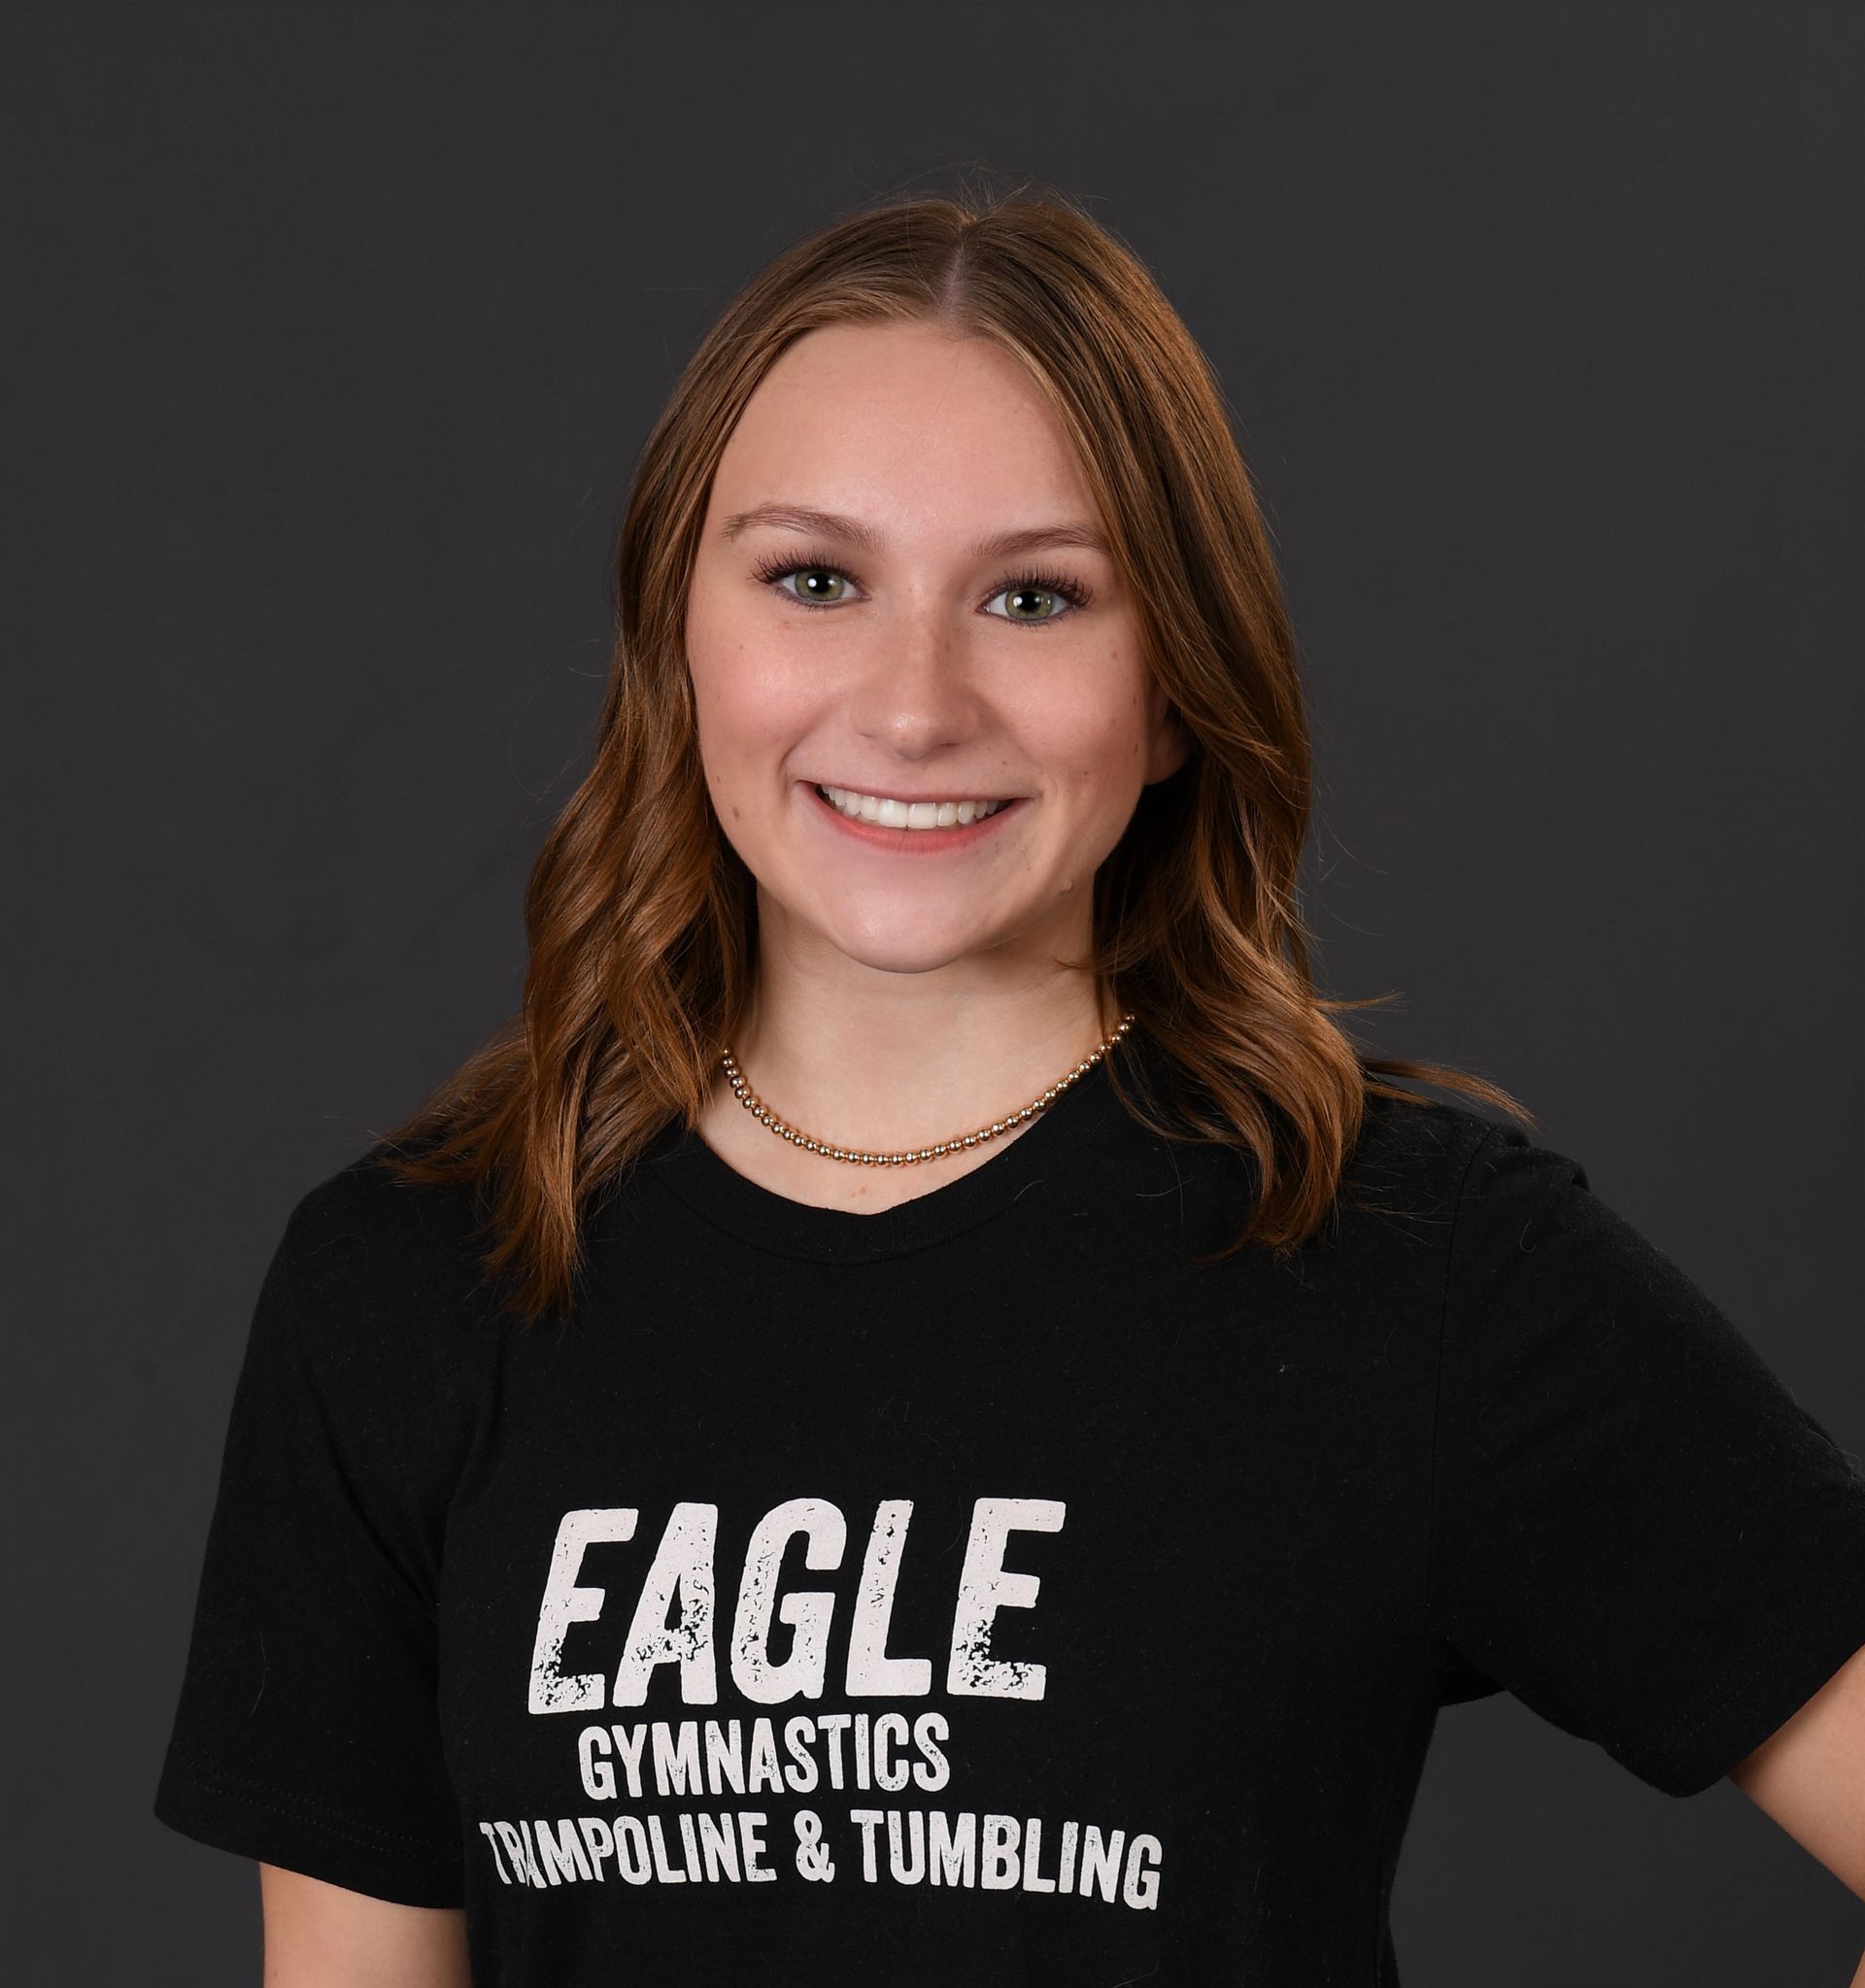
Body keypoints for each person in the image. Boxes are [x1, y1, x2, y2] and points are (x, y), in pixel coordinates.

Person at [153, 183, 1865, 1987]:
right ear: (680, 627)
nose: (913, 705)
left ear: (1177, 681)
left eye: (1036, 598)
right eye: (815, 579)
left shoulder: (1407, 1259)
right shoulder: (416, 1281)